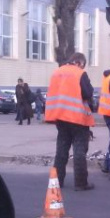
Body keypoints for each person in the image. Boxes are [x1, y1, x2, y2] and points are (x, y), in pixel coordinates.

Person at [45, 52, 96, 191]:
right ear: (79, 62)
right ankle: (80, 183)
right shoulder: (79, 73)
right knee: (79, 151)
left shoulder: (57, 72)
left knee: (61, 151)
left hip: (60, 117)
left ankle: (57, 181)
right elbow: (88, 93)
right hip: (77, 118)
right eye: (83, 65)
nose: (83, 68)